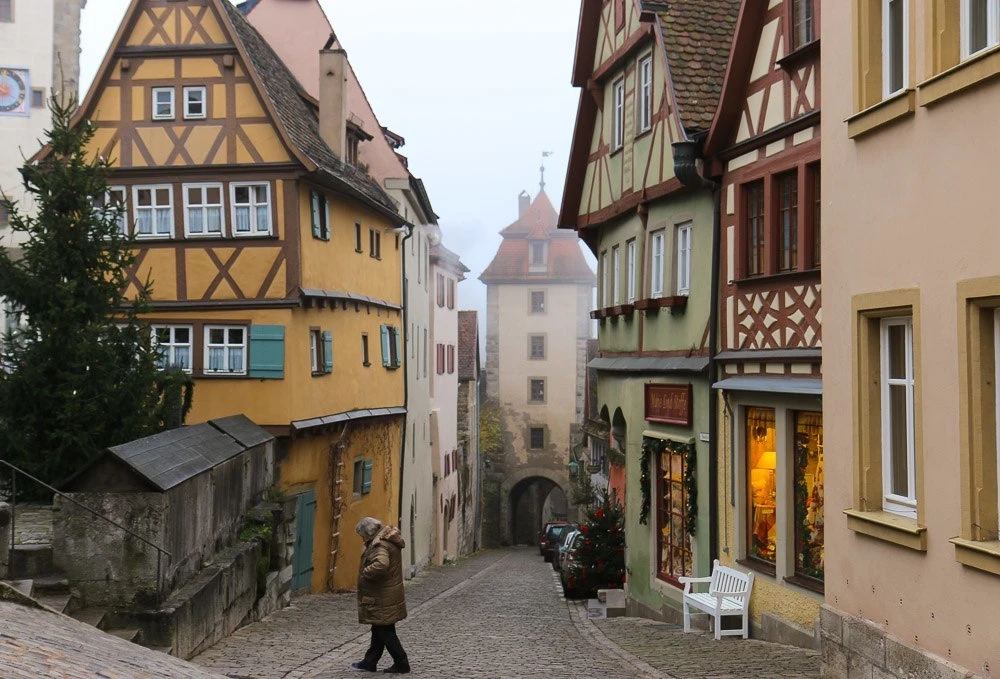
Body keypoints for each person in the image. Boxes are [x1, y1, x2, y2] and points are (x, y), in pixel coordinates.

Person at [351, 517, 410, 674]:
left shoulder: (378, 545)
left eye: (362, 535)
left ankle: (402, 662)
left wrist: (365, 573)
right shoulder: (387, 539)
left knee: (384, 631)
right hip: (388, 593)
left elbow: (381, 565)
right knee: (379, 628)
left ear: (368, 533)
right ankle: (369, 662)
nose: (362, 539)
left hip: (382, 595)